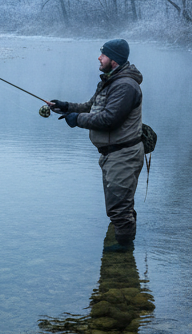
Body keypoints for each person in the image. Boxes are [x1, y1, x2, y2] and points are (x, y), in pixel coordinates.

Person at [48, 39, 144, 249]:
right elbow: (90, 107)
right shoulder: (111, 81)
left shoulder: (125, 86)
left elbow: (109, 119)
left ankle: (122, 256)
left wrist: (77, 119)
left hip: (123, 155)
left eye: (103, 54)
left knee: (119, 210)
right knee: (120, 207)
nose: (99, 58)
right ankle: (123, 250)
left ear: (114, 60)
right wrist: (66, 107)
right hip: (113, 154)